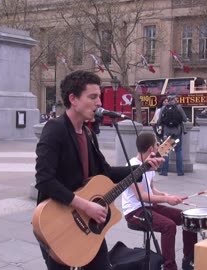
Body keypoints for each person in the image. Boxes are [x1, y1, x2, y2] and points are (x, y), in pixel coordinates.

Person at [34, 70, 163, 270]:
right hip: (58, 222)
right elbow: (44, 180)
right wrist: (85, 205)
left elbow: (106, 172)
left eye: (99, 97)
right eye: (93, 97)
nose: (99, 103)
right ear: (73, 99)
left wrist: (143, 167)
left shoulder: (88, 133)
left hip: (88, 223)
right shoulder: (55, 129)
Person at [122, 132, 197, 270]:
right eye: (157, 144)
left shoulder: (150, 164)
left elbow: (151, 190)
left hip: (149, 206)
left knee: (188, 218)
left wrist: (166, 194)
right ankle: (169, 267)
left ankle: (189, 261)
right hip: (134, 211)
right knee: (169, 226)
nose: (159, 146)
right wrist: (166, 199)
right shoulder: (132, 166)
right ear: (151, 148)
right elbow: (141, 196)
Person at [157, 95, 188, 176]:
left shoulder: (164, 108)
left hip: (167, 133)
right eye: (176, 99)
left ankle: (164, 171)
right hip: (177, 132)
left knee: (166, 151)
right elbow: (184, 119)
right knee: (178, 151)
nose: (177, 100)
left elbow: (159, 121)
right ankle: (180, 172)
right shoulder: (178, 107)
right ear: (174, 100)